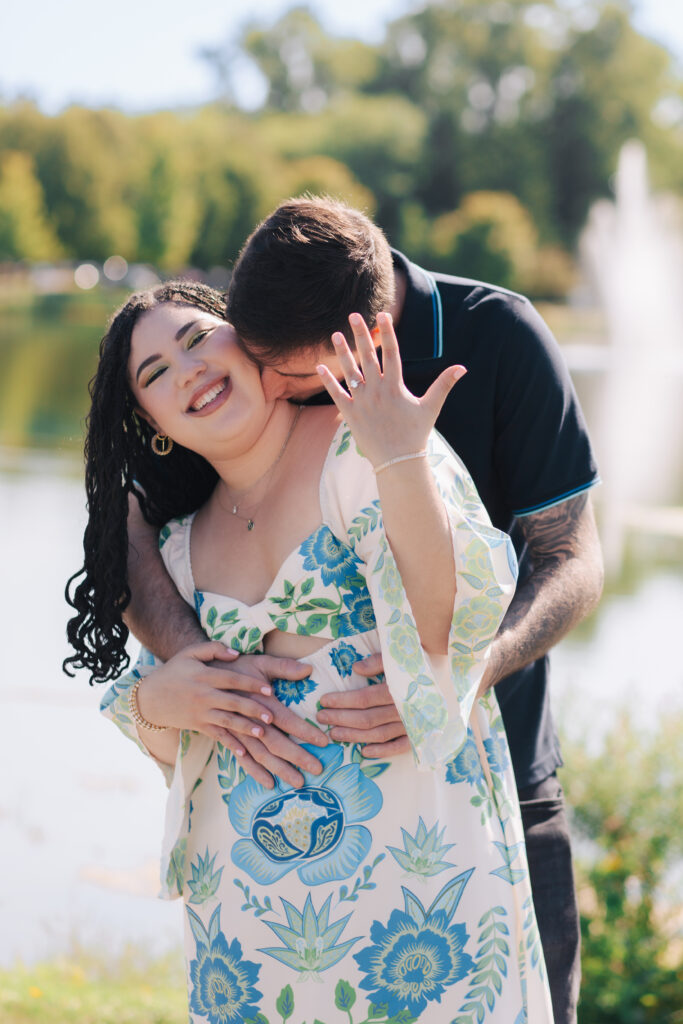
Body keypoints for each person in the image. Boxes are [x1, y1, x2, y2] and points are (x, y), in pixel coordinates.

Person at [120, 198, 604, 1024]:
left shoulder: (497, 337)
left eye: (297, 378)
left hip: (492, 785)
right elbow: (132, 534)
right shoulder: (267, 343)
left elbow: (571, 558)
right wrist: (189, 673)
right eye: (256, 358)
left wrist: (456, 674)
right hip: (285, 879)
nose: (270, 389)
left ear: (364, 335)